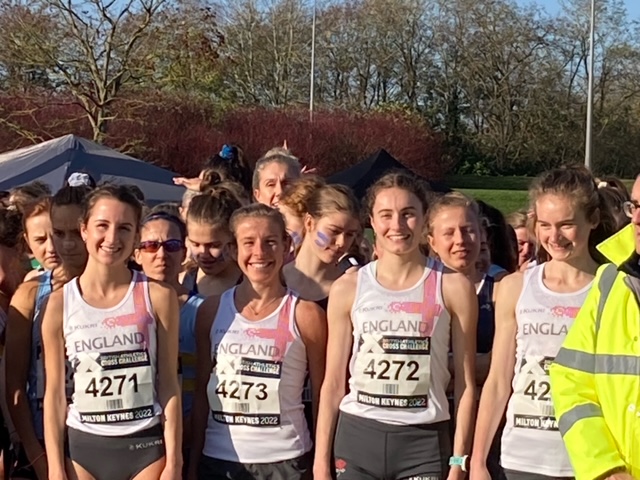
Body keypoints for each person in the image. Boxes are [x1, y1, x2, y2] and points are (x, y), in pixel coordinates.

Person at [314, 172, 478, 480]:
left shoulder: (453, 286)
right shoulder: (348, 287)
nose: (398, 225)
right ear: (372, 222)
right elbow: (333, 383)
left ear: (424, 218)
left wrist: (459, 462)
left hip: (424, 444)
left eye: (408, 214)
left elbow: (466, 385)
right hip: (358, 439)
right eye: (386, 215)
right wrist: (320, 464)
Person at [471, 166, 615, 480]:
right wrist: (478, 461)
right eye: (545, 225)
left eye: (566, 225)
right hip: (523, 458)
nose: (554, 237)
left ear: (592, 219)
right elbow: (498, 380)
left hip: (590, 461)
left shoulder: (614, 287)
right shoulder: (515, 286)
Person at [41, 184, 182, 480]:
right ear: (84, 230)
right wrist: (54, 468)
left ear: (136, 237)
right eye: (102, 226)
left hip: (145, 446)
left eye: (124, 228)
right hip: (84, 449)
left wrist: (175, 462)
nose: (112, 238)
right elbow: (54, 395)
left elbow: (169, 384)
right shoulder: (58, 303)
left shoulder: (158, 296)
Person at [189, 204, 327, 480]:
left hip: (285, 460)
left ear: (287, 246)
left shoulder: (307, 314)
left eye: (270, 242)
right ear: (233, 249)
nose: (260, 252)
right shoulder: (210, 311)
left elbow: (322, 395)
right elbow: (202, 393)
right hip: (218, 460)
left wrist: (321, 462)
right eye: (248, 242)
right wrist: (192, 464)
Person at [549, 175, 640, 479]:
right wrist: (606, 469)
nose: (636, 220)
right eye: (635, 206)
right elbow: (570, 382)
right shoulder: (611, 280)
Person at [6, 184, 91, 480]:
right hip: (43, 436)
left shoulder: (123, 289)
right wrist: (37, 457)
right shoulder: (30, 295)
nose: (60, 245)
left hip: (101, 436)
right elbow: (15, 385)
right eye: (55, 234)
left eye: (72, 233)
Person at [134, 211, 205, 468]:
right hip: (133, 439)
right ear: (136, 254)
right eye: (151, 245)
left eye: (172, 245)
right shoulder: (119, 309)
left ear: (184, 252)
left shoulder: (203, 311)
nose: (161, 254)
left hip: (188, 436)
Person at [182, 186, 243, 297]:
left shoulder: (249, 285)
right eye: (195, 244)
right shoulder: (182, 281)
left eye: (214, 245)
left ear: (234, 241)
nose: (204, 254)